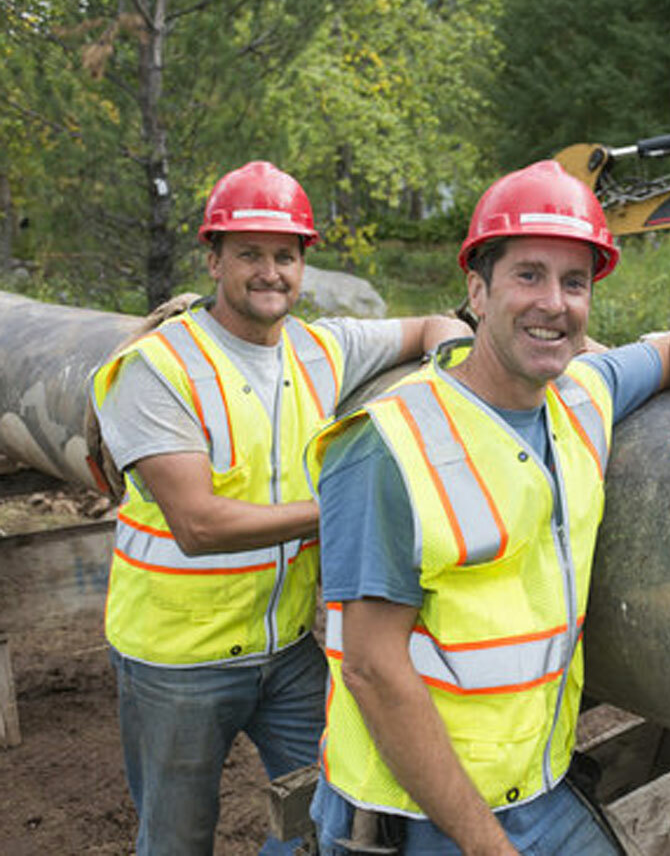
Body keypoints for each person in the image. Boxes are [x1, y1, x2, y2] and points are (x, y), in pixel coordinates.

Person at [305, 159, 670, 855]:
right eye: (529, 275)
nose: (555, 303)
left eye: (574, 282)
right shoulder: (388, 447)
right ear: (477, 292)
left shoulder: (582, 395)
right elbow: (372, 667)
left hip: (538, 786)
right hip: (418, 815)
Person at [90, 160, 470, 856]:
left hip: (289, 649)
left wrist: (455, 359)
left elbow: (430, 327)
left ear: (303, 264)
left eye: (285, 256)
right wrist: (341, 511)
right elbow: (198, 525)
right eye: (250, 255)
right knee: (176, 840)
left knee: (332, 807)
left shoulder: (322, 348)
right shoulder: (158, 367)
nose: (271, 272)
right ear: (213, 261)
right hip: (178, 660)